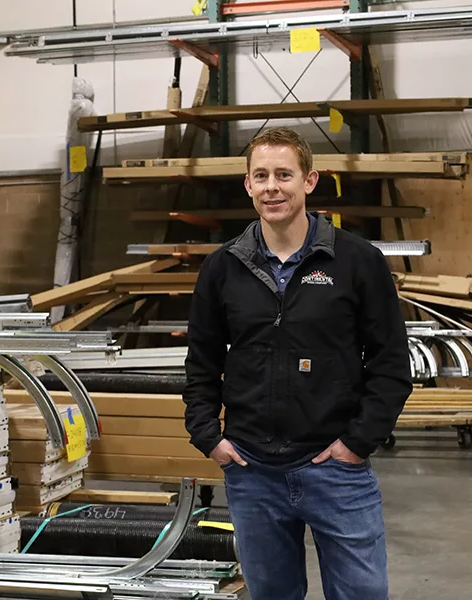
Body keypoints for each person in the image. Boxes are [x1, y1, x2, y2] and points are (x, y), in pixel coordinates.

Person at [183, 127, 412, 600]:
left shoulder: (356, 260)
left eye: (284, 174)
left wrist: (356, 442)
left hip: (336, 467)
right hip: (252, 470)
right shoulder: (223, 268)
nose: (273, 187)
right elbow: (201, 362)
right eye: (261, 175)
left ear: (310, 180)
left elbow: (390, 363)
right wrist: (209, 436)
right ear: (247, 185)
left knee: (362, 594)